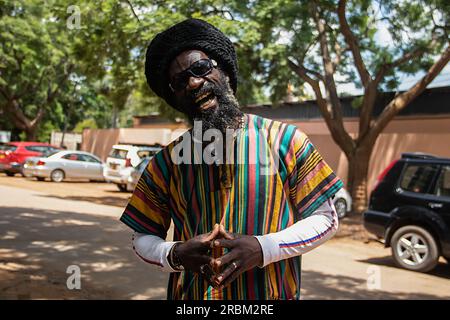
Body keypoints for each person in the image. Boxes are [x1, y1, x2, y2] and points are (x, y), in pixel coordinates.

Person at [120, 18, 344, 300]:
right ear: (174, 96)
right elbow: (142, 237)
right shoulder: (167, 163)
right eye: (179, 81)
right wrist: (174, 254)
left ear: (224, 69)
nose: (193, 83)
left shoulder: (286, 141)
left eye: (200, 68)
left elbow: (325, 219)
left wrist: (264, 248)